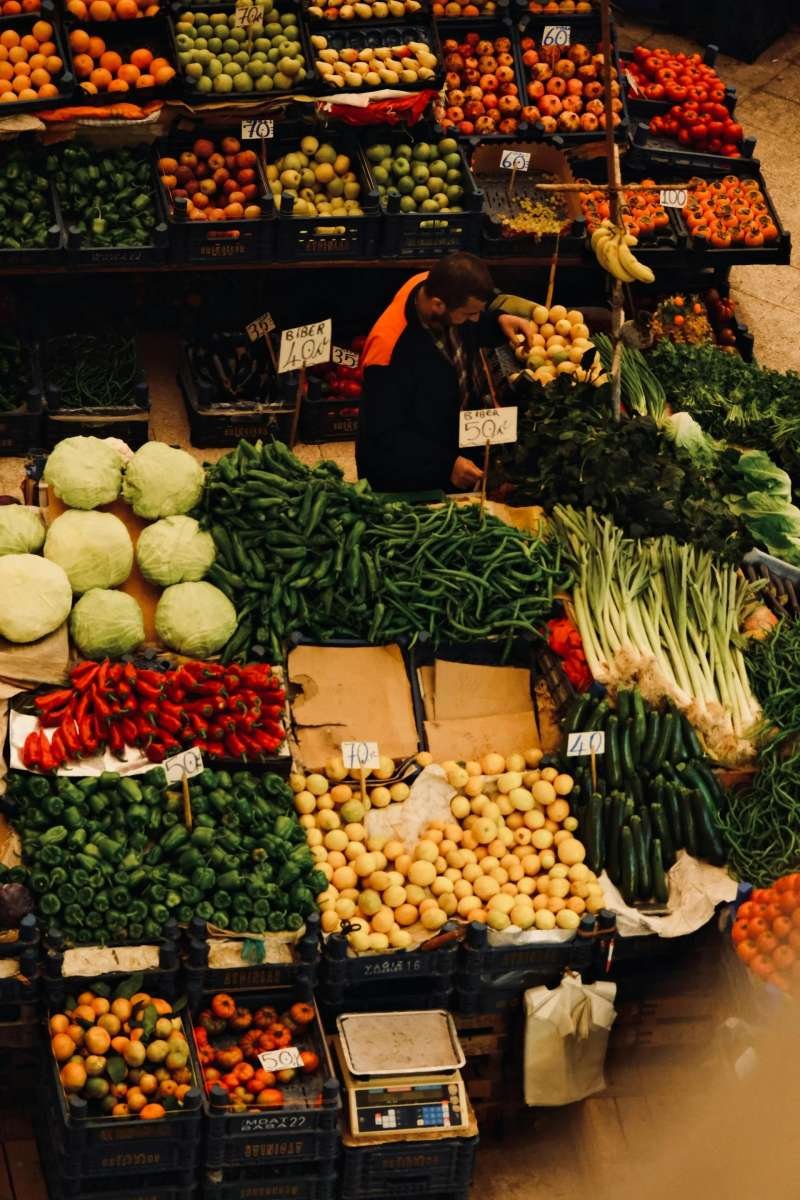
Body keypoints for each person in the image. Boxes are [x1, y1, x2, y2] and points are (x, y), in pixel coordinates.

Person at [355, 253, 533, 494]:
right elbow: (385, 435)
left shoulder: (431, 284)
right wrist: (445, 464)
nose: (475, 319)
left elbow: (473, 323)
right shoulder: (388, 352)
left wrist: (498, 321)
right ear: (438, 305)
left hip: (444, 436)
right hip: (404, 475)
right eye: (470, 314)